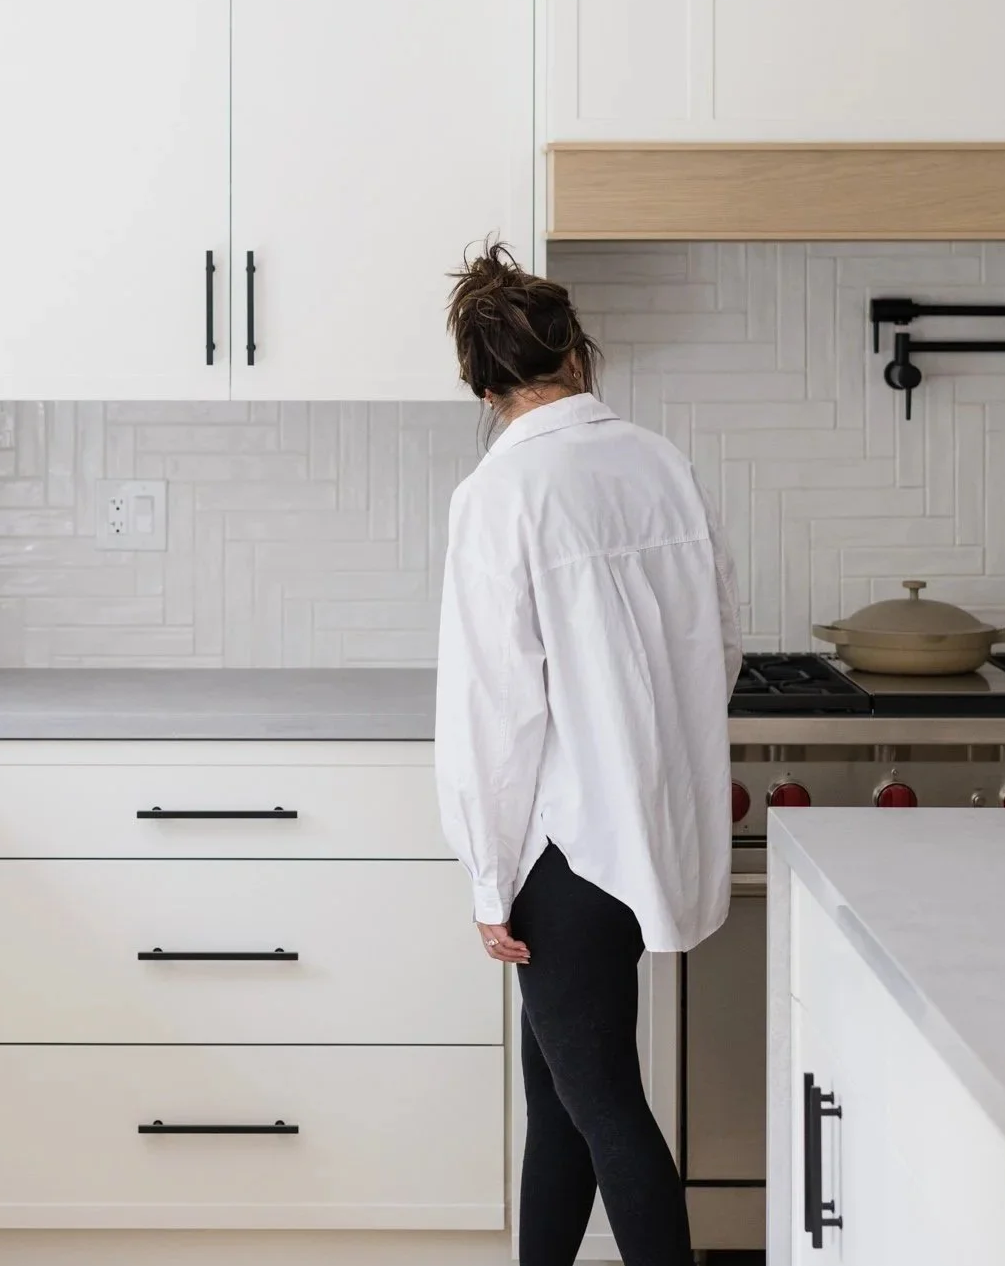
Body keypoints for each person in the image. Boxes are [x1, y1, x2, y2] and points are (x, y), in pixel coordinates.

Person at [433, 243, 743, 1266]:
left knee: (601, 1099)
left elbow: (495, 710)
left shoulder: (499, 493)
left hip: (561, 848)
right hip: (640, 821)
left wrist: (487, 871)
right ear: (577, 350)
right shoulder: (660, 461)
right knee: (562, 1094)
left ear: (481, 385)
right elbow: (721, 644)